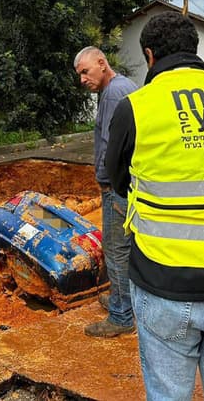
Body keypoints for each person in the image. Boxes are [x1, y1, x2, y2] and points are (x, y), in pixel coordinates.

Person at [105, 12, 204, 399]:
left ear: (149, 55)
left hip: (166, 279)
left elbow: (116, 180)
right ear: (195, 50)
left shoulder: (136, 108)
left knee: (168, 392)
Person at [74, 46, 138, 337]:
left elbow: (111, 145)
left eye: (85, 72)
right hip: (128, 184)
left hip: (117, 187)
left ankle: (121, 316)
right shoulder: (125, 87)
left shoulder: (113, 93)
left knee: (115, 252)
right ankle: (123, 301)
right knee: (127, 250)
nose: (82, 79)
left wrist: (104, 179)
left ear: (102, 63)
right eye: (79, 75)